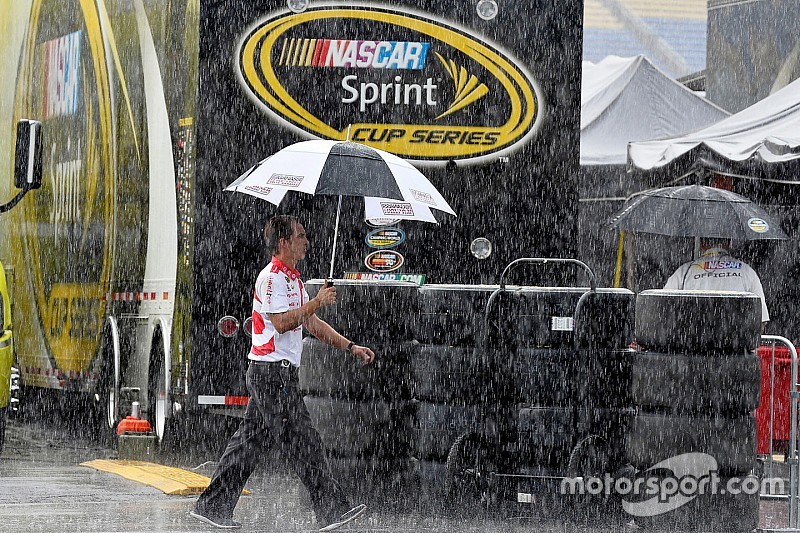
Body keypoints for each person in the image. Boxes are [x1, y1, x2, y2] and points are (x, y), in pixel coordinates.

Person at [190, 215, 375, 531]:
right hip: (272, 375)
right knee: (305, 441)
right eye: (301, 236)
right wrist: (316, 301)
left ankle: (211, 507)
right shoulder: (272, 278)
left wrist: (350, 346)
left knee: (247, 445)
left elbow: (312, 325)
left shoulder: (294, 280)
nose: (307, 241)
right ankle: (333, 512)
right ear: (284, 242)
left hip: (274, 376)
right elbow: (281, 322)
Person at [664, 237, 769, 326]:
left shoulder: (684, 271)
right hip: (734, 346)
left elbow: (664, 307)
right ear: (728, 243)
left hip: (692, 344)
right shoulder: (747, 271)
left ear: (701, 244)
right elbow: (761, 319)